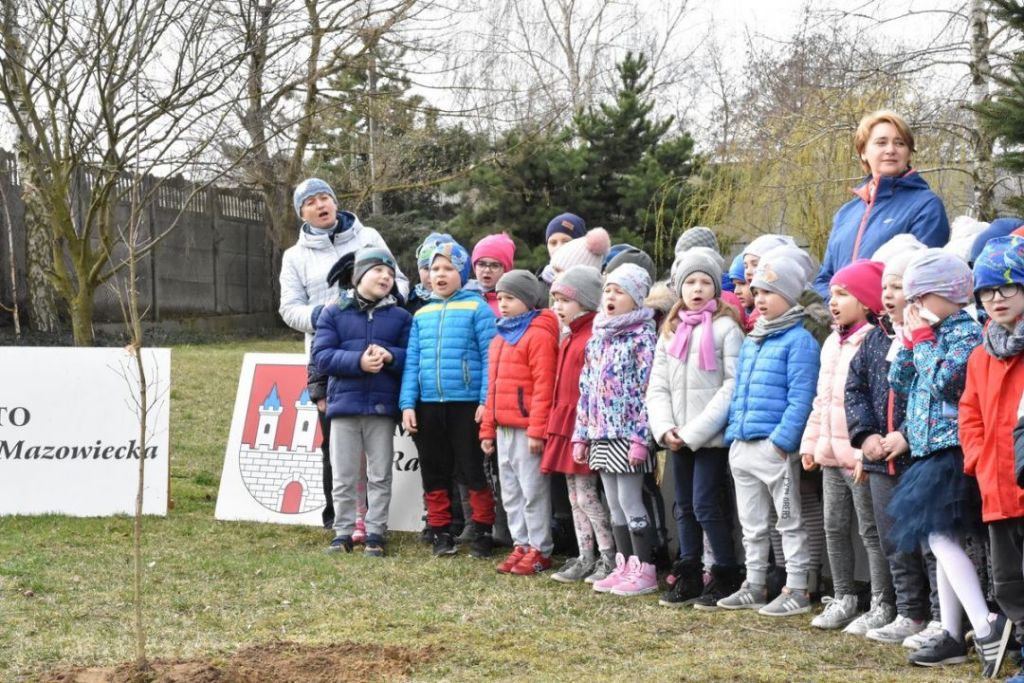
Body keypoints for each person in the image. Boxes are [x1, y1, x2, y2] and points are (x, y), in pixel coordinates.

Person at [883, 250, 1010, 674]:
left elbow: (947, 383)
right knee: (938, 540)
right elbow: (899, 382)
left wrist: (922, 341)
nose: (914, 307)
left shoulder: (964, 333)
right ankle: (952, 633)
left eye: (921, 298)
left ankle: (986, 624)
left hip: (951, 450)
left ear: (949, 294)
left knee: (940, 538)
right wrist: (909, 342)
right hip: (926, 451)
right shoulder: (928, 334)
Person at [280, 178, 408, 530]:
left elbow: (400, 281)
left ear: (335, 202)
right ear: (301, 213)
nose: (320, 205)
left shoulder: (369, 237)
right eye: (310, 202)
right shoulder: (294, 256)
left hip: (380, 351)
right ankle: (339, 521)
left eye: (325, 197)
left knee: (378, 447)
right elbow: (289, 309)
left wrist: (382, 304)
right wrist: (327, 316)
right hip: (330, 362)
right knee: (335, 445)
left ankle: (374, 523)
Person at [845, 236, 941, 648]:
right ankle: (909, 612)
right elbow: (855, 389)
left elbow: (932, 393)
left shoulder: (931, 338)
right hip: (879, 461)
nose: (888, 294)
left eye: (898, 286)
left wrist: (905, 434)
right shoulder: (874, 338)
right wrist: (865, 435)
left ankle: (941, 615)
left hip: (918, 458)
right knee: (893, 541)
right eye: (885, 286)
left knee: (931, 542)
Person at [717, 252, 819, 617]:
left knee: (789, 521)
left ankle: (798, 587)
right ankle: (755, 583)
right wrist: (734, 435)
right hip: (743, 446)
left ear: (790, 295)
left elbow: (801, 398)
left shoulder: (800, 341)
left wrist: (781, 443)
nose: (759, 299)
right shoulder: (753, 339)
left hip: (774, 450)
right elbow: (739, 391)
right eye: (757, 291)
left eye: (769, 292)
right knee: (752, 524)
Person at [800, 260, 895, 633]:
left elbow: (874, 403)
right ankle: (844, 597)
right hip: (829, 456)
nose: (833, 302)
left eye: (843, 294)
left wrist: (862, 454)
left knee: (871, 531)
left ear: (867, 300)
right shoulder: (831, 342)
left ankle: (883, 602)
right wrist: (811, 442)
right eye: (832, 294)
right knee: (833, 527)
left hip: (858, 458)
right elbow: (822, 400)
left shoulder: (873, 342)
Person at [646, 249, 744, 608]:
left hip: (709, 438)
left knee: (706, 505)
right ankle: (688, 572)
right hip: (678, 437)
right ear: (680, 288)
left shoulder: (726, 329)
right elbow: (658, 385)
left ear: (716, 288)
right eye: (690, 282)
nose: (697, 288)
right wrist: (665, 428)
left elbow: (731, 386)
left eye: (705, 282)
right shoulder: (671, 331)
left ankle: (725, 572)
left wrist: (694, 431)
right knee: (683, 506)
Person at [310, 248, 411, 557]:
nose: (386, 277)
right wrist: (358, 362)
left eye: (391, 273)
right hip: (343, 408)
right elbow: (321, 356)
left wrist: (391, 356)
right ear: (358, 276)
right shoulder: (332, 313)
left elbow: (411, 356)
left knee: (380, 474)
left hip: (382, 409)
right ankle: (342, 532)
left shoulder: (401, 317)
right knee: (343, 474)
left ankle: (376, 532)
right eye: (378, 270)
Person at [399, 240, 497, 558]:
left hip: (466, 405)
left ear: (462, 273)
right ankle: (440, 530)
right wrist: (407, 404)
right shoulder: (422, 313)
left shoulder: (477, 308)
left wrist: (485, 400)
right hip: (428, 405)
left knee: (472, 468)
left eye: (448, 268)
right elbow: (412, 362)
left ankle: (482, 528)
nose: (440, 275)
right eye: (435, 268)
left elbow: (491, 357)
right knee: (433, 469)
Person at [572, 264, 659, 596]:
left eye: (619, 291)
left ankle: (645, 568)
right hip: (600, 433)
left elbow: (648, 391)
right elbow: (586, 391)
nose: (610, 296)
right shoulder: (597, 339)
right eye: (608, 289)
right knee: (613, 502)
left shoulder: (643, 338)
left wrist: (641, 437)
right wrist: (581, 435)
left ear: (636, 298)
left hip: (629, 436)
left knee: (629, 499)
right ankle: (624, 564)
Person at [961, 236, 1024, 680]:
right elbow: (970, 414)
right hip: (997, 488)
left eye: (1007, 286)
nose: (996, 298)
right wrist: (979, 459)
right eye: (986, 291)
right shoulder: (981, 355)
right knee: (1008, 581)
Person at [814, 110, 949, 299]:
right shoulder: (846, 213)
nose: (891, 150)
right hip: (839, 316)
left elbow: (920, 277)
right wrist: (839, 306)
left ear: (909, 153)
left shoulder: (926, 206)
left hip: (891, 315)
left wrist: (863, 307)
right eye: (881, 142)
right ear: (863, 152)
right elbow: (824, 279)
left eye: (900, 143)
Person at [480, 271, 560, 575]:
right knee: (511, 491)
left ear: (528, 300)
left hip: (527, 430)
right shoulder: (499, 338)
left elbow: (544, 385)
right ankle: (521, 544)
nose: (502, 304)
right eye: (500, 298)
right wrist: (487, 428)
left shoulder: (539, 335)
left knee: (532, 491)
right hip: (502, 428)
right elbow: (492, 388)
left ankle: (541, 548)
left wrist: (537, 430)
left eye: (510, 298)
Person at [542, 266, 616, 584]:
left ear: (585, 300)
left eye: (565, 300)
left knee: (587, 496)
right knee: (574, 497)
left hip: (583, 425)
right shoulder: (570, 336)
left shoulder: (592, 337)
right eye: (555, 300)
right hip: (565, 424)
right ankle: (586, 556)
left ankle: (608, 556)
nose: (558, 306)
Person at [470, 233, 516, 316]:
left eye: (495, 265)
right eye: (481, 264)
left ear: (506, 270)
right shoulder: (460, 296)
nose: (487, 270)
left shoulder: (516, 304)